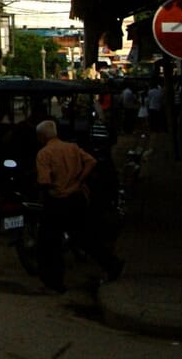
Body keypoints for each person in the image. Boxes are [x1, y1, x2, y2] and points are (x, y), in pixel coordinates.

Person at [34, 120, 124, 293]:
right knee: (84, 236)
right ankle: (111, 263)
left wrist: (47, 189)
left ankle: (55, 283)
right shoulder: (72, 148)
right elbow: (91, 161)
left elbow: (44, 181)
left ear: (42, 136)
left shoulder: (44, 154)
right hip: (76, 198)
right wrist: (79, 179)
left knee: (50, 244)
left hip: (57, 201)